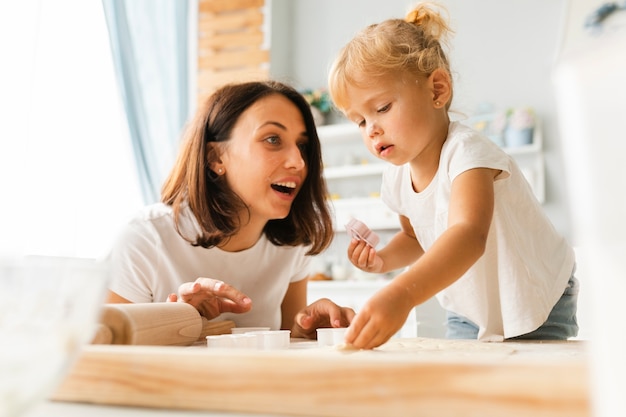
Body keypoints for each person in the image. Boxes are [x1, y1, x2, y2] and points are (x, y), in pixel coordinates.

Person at [328, 2, 579, 349]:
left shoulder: (468, 154)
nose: (371, 129)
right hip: (469, 305)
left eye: (382, 108)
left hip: (531, 293)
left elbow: (467, 236)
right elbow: (415, 239)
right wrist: (384, 259)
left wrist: (402, 294)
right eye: (359, 120)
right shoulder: (397, 177)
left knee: (527, 384)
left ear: (437, 90)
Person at [105, 80, 355, 339]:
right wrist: (174, 321)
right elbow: (105, 353)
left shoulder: (293, 246)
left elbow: (285, 346)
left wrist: (304, 332)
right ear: (215, 158)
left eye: (302, 145)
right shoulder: (146, 239)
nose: (298, 161)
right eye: (272, 139)